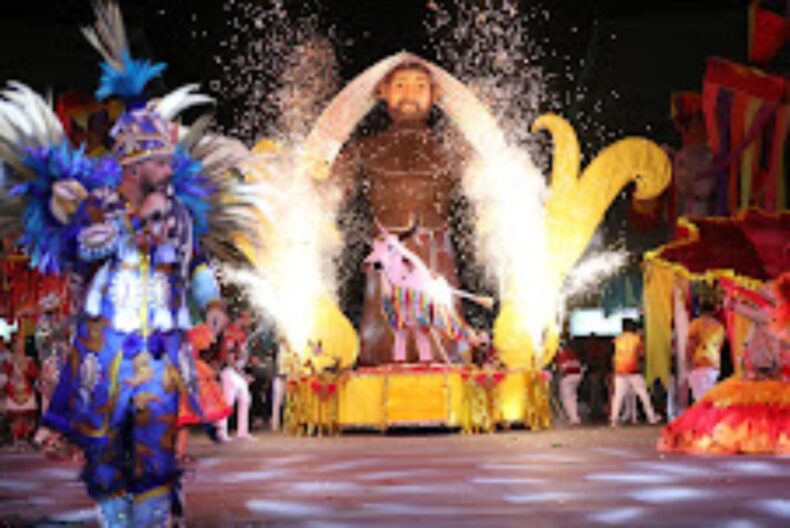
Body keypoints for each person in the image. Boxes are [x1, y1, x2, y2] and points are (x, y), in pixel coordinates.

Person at [332, 60, 469, 365]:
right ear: (382, 92)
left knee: (441, 330)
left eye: (420, 86)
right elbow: (330, 190)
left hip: (437, 255)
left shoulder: (452, 148)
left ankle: (443, 365)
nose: (410, 94)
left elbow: (488, 182)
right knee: (384, 330)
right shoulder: (364, 150)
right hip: (387, 253)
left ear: (435, 94)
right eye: (400, 86)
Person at [609, 319, 660, 426]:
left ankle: (614, 419)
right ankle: (651, 417)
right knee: (643, 395)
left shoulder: (617, 339)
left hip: (619, 371)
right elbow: (642, 355)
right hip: (633, 370)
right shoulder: (636, 339)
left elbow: (613, 356)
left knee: (618, 396)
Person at [217, 312, 254, 441]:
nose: (249, 321)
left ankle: (242, 432)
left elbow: (241, 354)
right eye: (247, 318)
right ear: (240, 319)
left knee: (245, 399)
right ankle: (221, 432)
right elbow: (229, 356)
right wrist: (242, 373)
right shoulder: (231, 333)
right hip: (230, 371)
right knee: (228, 402)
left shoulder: (243, 334)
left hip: (238, 371)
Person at [686, 301, 725, 401]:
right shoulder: (720, 327)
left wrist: (688, 363)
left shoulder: (696, 323)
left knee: (700, 400)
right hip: (714, 365)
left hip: (699, 363)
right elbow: (720, 347)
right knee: (710, 398)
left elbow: (691, 345)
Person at [554, 341, 583, 425]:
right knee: (573, 397)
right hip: (578, 375)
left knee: (566, 398)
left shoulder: (560, 354)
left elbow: (562, 367)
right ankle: (575, 417)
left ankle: (573, 418)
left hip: (567, 376)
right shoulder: (571, 353)